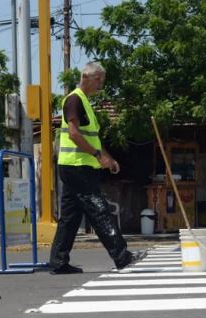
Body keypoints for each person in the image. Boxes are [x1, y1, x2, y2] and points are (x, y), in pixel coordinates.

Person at [49, 62, 146, 274]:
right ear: (86, 77)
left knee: (70, 217)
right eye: (98, 79)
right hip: (77, 167)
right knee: (99, 210)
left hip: (78, 167)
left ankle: (58, 261)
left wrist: (107, 158)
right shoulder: (74, 99)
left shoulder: (84, 102)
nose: (101, 84)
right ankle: (122, 257)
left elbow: (91, 137)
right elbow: (74, 134)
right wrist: (96, 155)